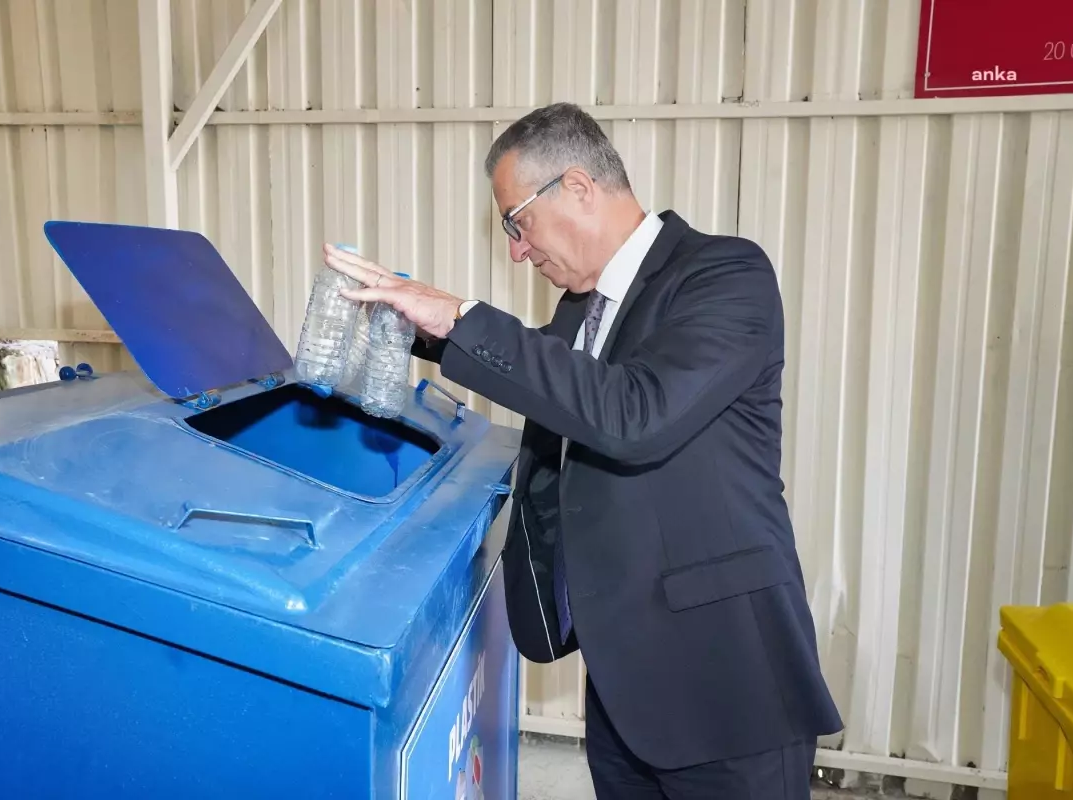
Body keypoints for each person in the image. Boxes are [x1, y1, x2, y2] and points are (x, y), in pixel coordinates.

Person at [322, 102, 843, 799]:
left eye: (516, 222)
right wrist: (410, 324)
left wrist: (458, 317)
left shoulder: (723, 276)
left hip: (726, 686)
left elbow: (632, 413)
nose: (516, 248)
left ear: (576, 186)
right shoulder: (581, 309)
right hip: (625, 685)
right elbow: (546, 379)